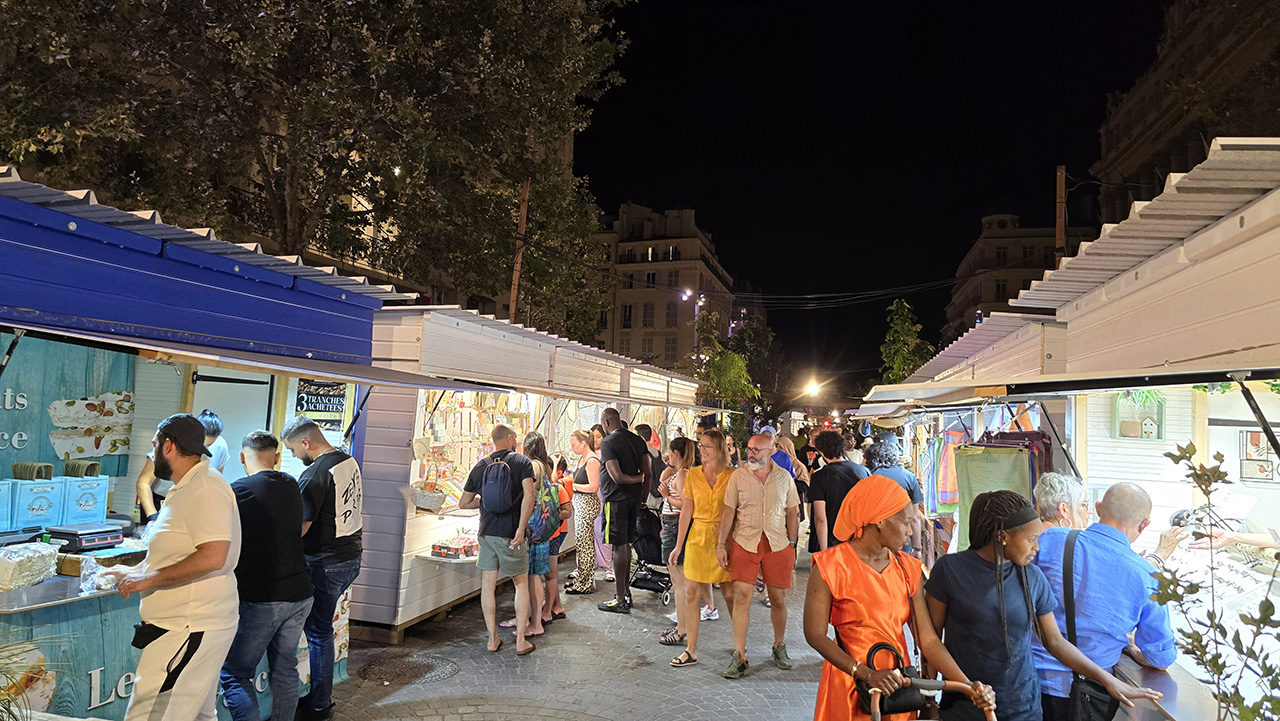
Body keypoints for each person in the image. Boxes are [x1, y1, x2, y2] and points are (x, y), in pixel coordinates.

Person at [925, 490, 1161, 721]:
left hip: (1024, 706)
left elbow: (1055, 641)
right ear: (1002, 536)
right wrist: (938, 698)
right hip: (965, 705)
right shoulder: (950, 569)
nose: (1036, 548)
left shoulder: (1032, 576)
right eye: (1031, 540)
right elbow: (931, 639)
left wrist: (1107, 679)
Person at [804, 475, 995, 721]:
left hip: (897, 686)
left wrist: (969, 685)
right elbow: (815, 634)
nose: (911, 531)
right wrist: (865, 673)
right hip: (849, 682)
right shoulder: (829, 565)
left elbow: (928, 640)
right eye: (906, 522)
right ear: (880, 520)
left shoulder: (908, 568)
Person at [109, 414, 241, 721]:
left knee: (151, 715)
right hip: (189, 624)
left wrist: (148, 580)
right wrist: (133, 572)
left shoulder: (206, 489)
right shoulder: (185, 486)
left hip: (189, 625)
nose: (152, 452)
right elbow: (175, 552)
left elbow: (212, 556)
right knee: (199, 715)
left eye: (154, 445)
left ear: (168, 446)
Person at [1033, 483, 1177, 721]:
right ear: (1144, 524)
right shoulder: (1148, 576)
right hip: (1090, 695)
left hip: (1029, 681)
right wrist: (1131, 648)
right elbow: (1160, 658)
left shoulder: (1052, 540)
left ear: (1099, 508)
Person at [219, 431, 313, 721]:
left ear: (242, 457)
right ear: (277, 456)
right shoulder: (290, 483)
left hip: (264, 597)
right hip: (300, 591)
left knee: (235, 673)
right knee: (285, 669)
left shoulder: (238, 490)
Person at [281, 416, 365, 720]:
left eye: (292, 449)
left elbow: (300, 528)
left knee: (318, 633)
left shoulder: (315, 473)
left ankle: (319, 703)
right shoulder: (348, 460)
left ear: (306, 443)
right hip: (350, 557)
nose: (293, 456)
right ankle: (318, 696)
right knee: (322, 630)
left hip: (325, 563)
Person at [718, 433, 801, 678]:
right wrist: (721, 544)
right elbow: (728, 512)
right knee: (741, 595)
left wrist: (792, 544)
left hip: (776, 543)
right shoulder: (738, 477)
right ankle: (740, 655)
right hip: (745, 541)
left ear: (771, 451)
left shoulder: (784, 478)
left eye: (757, 450)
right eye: (750, 449)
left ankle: (778, 645)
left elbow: (792, 512)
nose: (751, 454)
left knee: (777, 598)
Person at [458, 424, 537, 655]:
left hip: (487, 533)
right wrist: (521, 528)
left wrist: (482, 503)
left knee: (488, 586)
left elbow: (464, 503)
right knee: (520, 583)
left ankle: (492, 640)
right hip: (512, 534)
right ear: (511, 438)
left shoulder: (481, 465)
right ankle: (521, 641)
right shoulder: (522, 462)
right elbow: (529, 497)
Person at [668, 428, 738, 668]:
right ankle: (691, 649)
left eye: (707, 446)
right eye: (701, 445)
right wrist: (678, 546)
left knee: (729, 594)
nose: (702, 449)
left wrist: (727, 542)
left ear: (719, 449)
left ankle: (739, 646)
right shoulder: (694, 475)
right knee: (691, 592)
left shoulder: (732, 476)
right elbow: (686, 510)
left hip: (723, 539)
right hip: (697, 537)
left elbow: (734, 512)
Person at [500, 432, 566, 638]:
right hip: (541, 528)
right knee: (530, 575)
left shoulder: (533, 466)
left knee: (531, 575)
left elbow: (526, 494)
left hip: (533, 529)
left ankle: (535, 622)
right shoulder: (543, 466)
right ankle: (525, 617)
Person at [597, 407, 651, 614]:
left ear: (607, 422)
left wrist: (638, 479)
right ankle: (625, 592)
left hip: (615, 500)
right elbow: (648, 472)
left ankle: (620, 598)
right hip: (633, 499)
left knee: (619, 547)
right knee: (625, 546)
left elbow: (617, 476)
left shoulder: (609, 442)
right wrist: (643, 497)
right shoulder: (638, 441)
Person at [657, 436, 696, 646]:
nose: (668, 455)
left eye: (671, 451)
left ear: (677, 453)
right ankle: (683, 625)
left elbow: (684, 504)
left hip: (674, 525)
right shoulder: (681, 472)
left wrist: (666, 497)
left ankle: (682, 629)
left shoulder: (681, 475)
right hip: (672, 525)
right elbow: (663, 478)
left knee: (678, 581)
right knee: (680, 580)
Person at [808, 430, 870, 552]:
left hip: (833, 538)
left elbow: (820, 518)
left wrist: (824, 550)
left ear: (821, 451)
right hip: (858, 539)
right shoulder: (863, 472)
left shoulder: (819, 477)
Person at [865, 439, 924, 552]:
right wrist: (917, 548)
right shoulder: (909, 477)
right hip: (901, 535)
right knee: (901, 568)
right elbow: (915, 517)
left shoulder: (868, 477)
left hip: (876, 538)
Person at [566, 430, 603, 595]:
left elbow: (594, 487)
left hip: (587, 504)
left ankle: (585, 583)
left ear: (583, 443)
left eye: (574, 444)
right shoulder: (584, 459)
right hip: (581, 504)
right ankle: (581, 579)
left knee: (586, 545)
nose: (572, 448)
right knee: (581, 544)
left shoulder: (592, 460)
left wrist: (573, 486)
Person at [542, 455, 572, 623]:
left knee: (550, 574)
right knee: (548, 573)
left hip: (554, 533)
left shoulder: (558, 487)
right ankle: (557, 606)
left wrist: (548, 515)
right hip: (550, 534)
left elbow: (567, 511)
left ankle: (549, 609)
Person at [635, 423, 668, 509]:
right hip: (658, 496)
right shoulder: (658, 453)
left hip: (647, 498)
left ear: (640, 438)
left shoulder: (643, 455)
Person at [198, 409, 230, 473]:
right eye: (203, 445)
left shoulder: (221, 445)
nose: (205, 449)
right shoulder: (186, 442)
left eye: (209, 445)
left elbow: (219, 474)